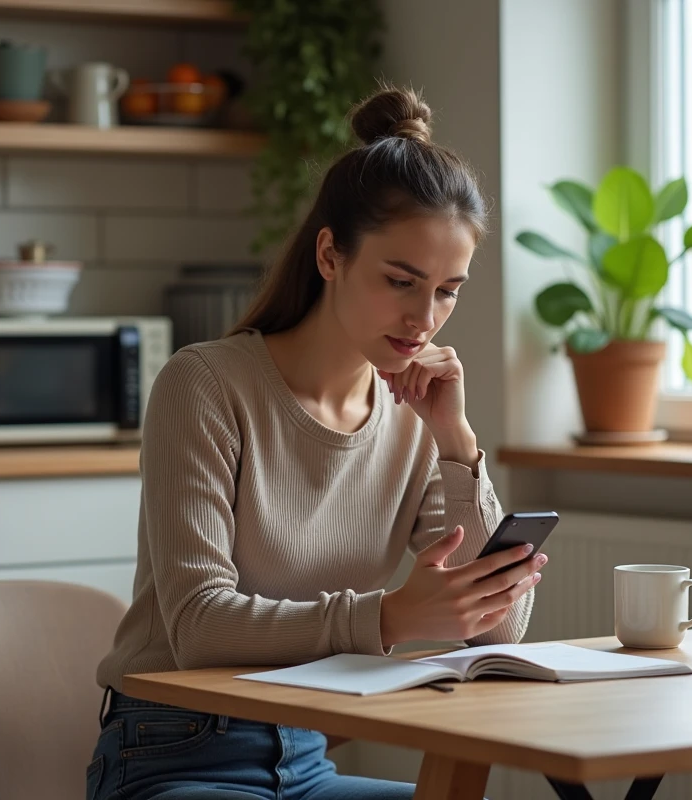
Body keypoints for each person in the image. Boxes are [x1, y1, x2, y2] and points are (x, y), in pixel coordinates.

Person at [88, 84, 546, 800]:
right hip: (172, 755)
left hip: (303, 758)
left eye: (448, 290)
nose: (425, 318)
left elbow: (501, 627)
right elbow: (198, 628)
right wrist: (391, 615)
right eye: (401, 281)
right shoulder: (204, 385)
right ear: (330, 254)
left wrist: (457, 444)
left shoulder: (417, 421)